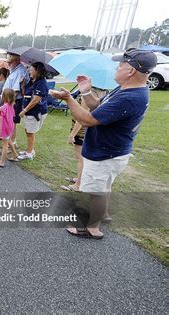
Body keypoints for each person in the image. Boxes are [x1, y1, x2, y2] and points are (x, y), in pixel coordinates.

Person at [50, 49, 157, 239]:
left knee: (93, 191)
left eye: (121, 64)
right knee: (102, 189)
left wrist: (68, 99)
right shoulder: (126, 89)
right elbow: (98, 106)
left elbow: (88, 120)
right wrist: (86, 91)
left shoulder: (130, 97)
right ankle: (100, 216)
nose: (117, 67)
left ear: (131, 70)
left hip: (105, 154)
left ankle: (90, 227)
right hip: (111, 151)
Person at [18, 62, 48, 160]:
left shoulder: (41, 83)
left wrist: (25, 110)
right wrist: (22, 84)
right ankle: (30, 149)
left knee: (30, 132)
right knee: (28, 130)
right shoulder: (32, 81)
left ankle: (29, 153)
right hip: (29, 111)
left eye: (31, 70)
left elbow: (36, 99)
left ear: (37, 71)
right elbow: (25, 94)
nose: (29, 71)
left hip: (35, 112)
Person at [3, 53, 27, 149]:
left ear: (17, 61)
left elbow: (16, 91)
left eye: (10, 62)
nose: (8, 64)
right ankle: (11, 143)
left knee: (12, 122)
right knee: (10, 122)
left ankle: (12, 143)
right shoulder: (14, 70)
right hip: (10, 100)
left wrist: (8, 103)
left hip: (14, 101)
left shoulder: (20, 71)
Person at [0, 89, 18, 166]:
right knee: (9, 141)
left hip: (5, 127)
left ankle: (2, 162)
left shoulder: (5, 106)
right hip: (10, 126)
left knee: (5, 145)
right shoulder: (11, 105)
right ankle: (15, 155)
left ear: (5, 97)